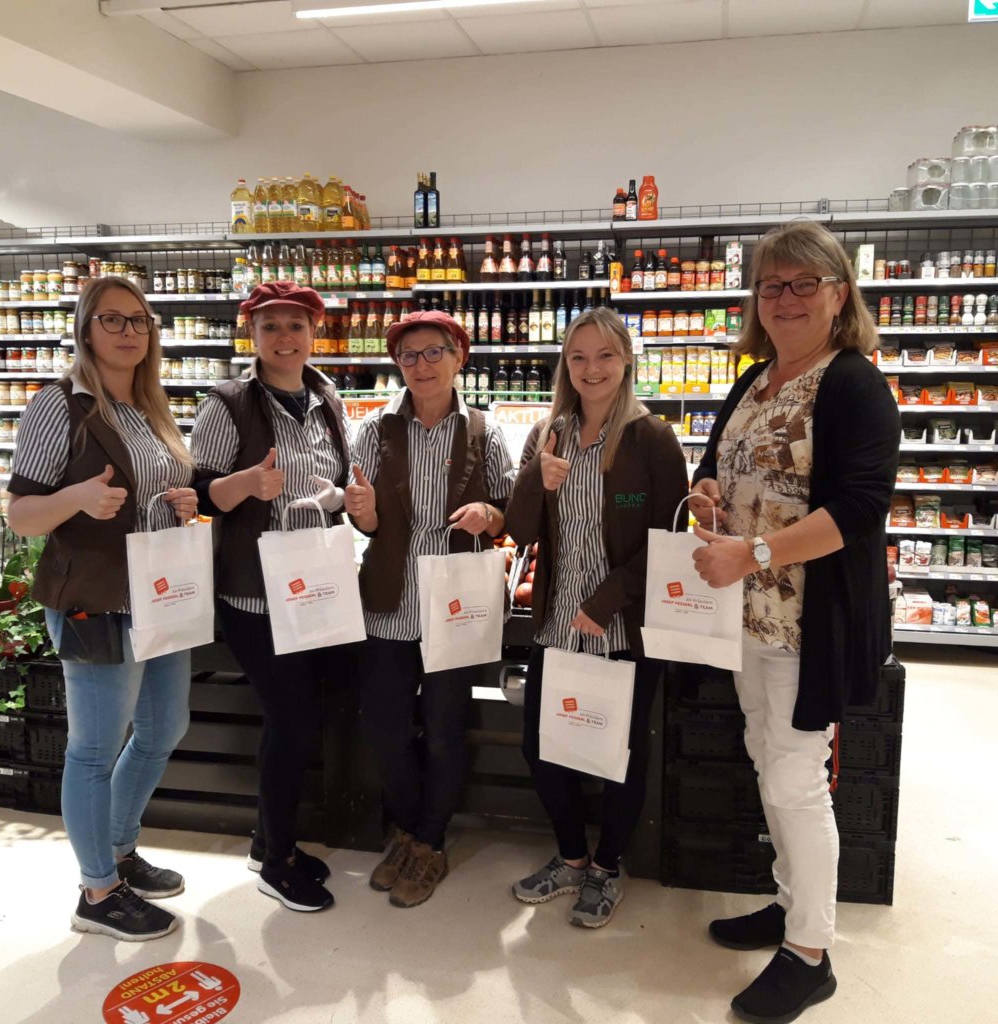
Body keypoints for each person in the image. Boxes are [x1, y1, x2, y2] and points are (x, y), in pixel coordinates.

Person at [688, 220, 900, 1023]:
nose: (784, 298)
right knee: (764, 757)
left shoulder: (852, 384)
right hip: (747, 618)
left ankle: (810, 953)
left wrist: (753, 552)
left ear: (838, 294)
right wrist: (707, 492)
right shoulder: (755, 380)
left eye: (803, 283)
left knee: (795, 778)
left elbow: (860, 507)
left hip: (811, 623)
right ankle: (789, 903)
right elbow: (715, 465)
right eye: (771, 284)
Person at [7, 277, 198, 941]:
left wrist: (182, 503)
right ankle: (97, 891)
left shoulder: (150, 407)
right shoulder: (59, 404)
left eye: (139, 321)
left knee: (163, 729)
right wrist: (77, 499)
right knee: (93, 748)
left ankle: (119, 850)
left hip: (159, 595)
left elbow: (154, 491)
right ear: (86, 330)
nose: (128, 332)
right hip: (95, 599)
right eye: (112, 320)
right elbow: (22, 514)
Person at [505, 306, 688, 928]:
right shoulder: (548, 433)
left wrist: (605, 601)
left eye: (605, 355)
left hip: (623, 628)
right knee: (542, 748)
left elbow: (668, 538)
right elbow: (520, 530)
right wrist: (536, 479)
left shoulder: (651, 438)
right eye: (579, 356)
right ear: (566, 364)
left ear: (626, 359)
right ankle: (571, 859)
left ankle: (608, 867)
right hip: (557, 624)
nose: (592, 368)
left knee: (619, 753)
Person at [344, 309, 515, 909]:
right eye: (409, 355)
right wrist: (364, 512)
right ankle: (409, 829)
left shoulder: (485, 431)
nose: (422, 365)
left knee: (443, 731)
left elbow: (508, 509)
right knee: (386, 730)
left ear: (458, 357)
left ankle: (431, 841)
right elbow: (365, 522)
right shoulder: (375, 429)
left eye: (434, 352)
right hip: (388, 603)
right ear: (398, 364)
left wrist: (489, 515)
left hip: (455, 608)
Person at [192, 281, 351, 914]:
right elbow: (202, 493)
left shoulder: (327, 396)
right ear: (252, 334)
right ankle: (276, 862)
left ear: (314, 332)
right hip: (255, 591)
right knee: (292, 720)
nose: (284, 337)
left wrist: (341, 497)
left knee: (302, 718)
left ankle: (269, 840)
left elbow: (338, 476)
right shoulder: (227, 402)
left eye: (295, 325)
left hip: (315, 583)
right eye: (270, 326)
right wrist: (247, 484)